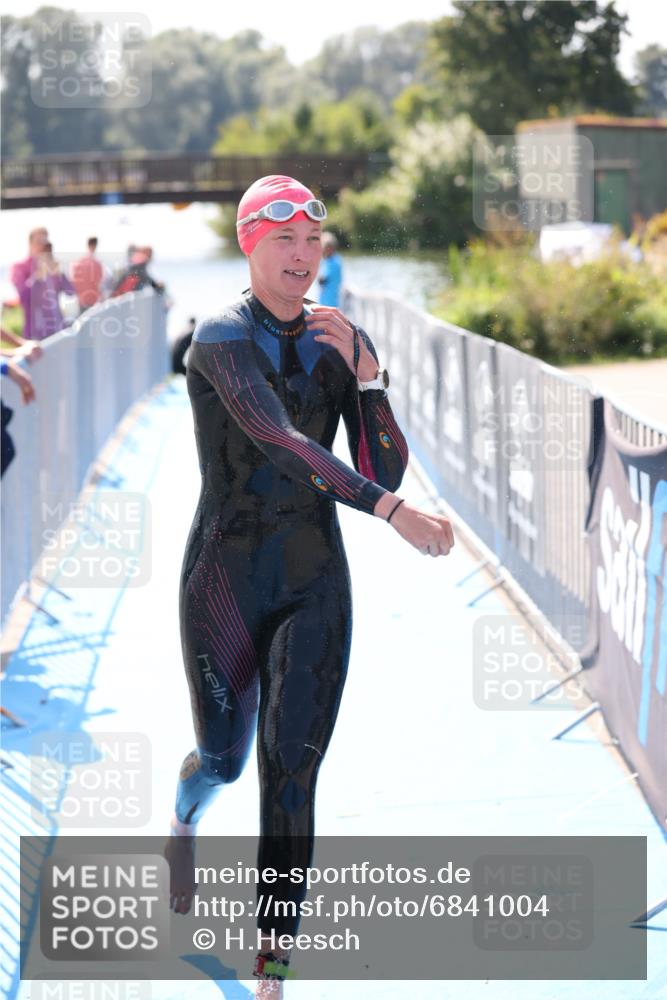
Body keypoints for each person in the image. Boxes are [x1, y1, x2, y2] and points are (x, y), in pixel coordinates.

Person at [165, 175, 454, 998]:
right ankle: (183, 820)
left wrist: (368, 376)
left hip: (313, 577)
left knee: (291, 767)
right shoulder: (218, 339)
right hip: (224, 578)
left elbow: (377, 460)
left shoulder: (338, 339)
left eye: (312, 241)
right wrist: (394, 513)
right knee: (223, 760)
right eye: (283, 240)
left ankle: (272, 961)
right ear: (250, 244)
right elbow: (281, 441)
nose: (301, 256)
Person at [11, 239, 76, 341]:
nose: (46, 254)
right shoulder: (24, 268)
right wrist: (36, 277)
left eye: (48, 250)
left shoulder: (55, 272)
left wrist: (61, 274)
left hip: (57, 328)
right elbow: (23, 297)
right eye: (43, 250)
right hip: (37, 332)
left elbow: (71, 292)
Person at [69, 237, 106, 313]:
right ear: (95, 245)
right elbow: (100, 284)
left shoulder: (78, 263)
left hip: (82, 300)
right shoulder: (97, 264)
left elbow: (74, 283)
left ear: (87, 245)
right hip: (94, 301)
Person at [318, 231, 343, 307]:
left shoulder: (332, 263)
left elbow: (322, 280)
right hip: (332, 300)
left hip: (329, 302)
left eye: (323, 247)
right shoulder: (336, 259)